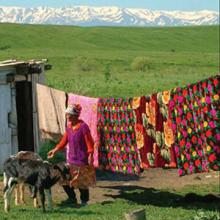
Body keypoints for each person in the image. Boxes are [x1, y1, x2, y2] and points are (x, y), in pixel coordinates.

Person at [47, 104, 94, 206]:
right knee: (63, 178)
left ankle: (84, 201)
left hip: (81, 160)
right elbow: (64, 141)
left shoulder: (83, 127)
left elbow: (90, 143)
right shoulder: (69, 127)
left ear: (75, 115)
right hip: (71, 160)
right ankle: (72, 198)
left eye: (69, 115)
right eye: (67, 115)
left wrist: (90, 156)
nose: (67, 117)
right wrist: (55, 150)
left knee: (81, 182)